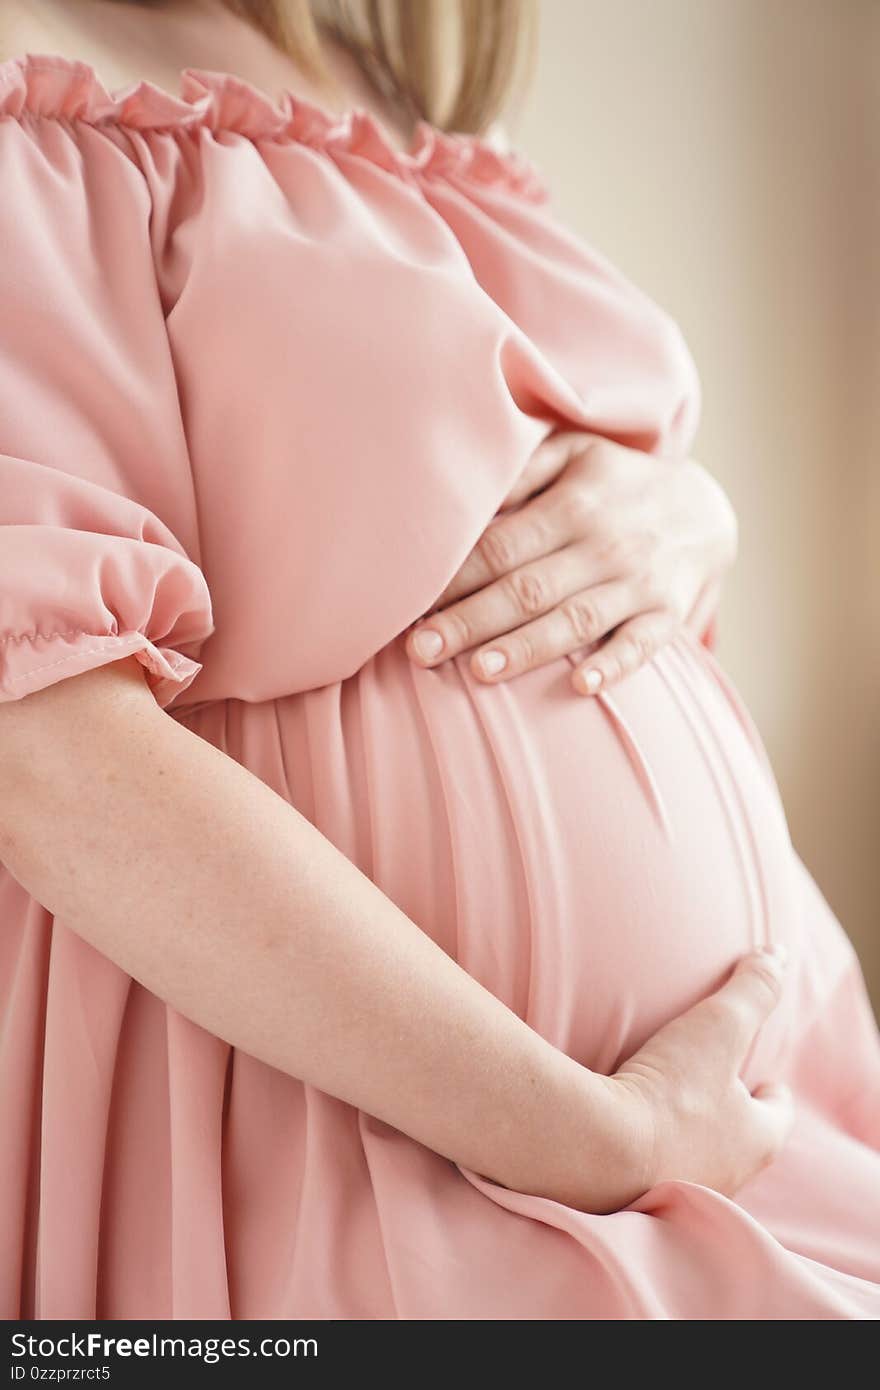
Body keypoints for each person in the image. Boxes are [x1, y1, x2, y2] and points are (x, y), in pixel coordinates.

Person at [0, 0, 877, 1321]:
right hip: (355, 1147)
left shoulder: (401, 103)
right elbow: (40, 746)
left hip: (758, 1104)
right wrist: (589, 1137)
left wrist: (695, 512)